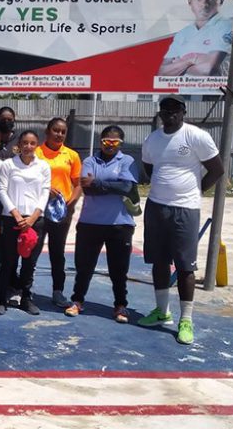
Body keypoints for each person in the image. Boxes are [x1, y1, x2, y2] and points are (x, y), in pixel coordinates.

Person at [138, 95, 224, 345]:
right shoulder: (152, 139)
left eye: (176, 109)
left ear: (184, 112)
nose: (171, 114)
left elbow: (217, 170)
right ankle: (161, 311)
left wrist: (196, 190)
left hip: (185, 209)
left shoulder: (196, 136)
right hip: (156, 207)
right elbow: (150, 168)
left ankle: (186, 320)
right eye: (166, 110)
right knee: (159, 262)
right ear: (160, 113)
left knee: (186, 266)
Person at [65, 126, 139, 323]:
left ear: (121, 144)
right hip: (90, 223)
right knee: (84, 267)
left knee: (119, 269)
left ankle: (121, 305)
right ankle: (77, 301)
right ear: (100, 142)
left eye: (115, 142)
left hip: (120, 224)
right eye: (106, 141)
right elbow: (87, 190)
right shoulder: (89, 161)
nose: (110, 145)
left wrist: (97, 183)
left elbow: (127, 187)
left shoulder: (127, 161)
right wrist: (111, 186)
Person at [0, 130, 51, 316]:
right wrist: (16, 214)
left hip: (35, 221)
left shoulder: (43, 167)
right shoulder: (8, 165)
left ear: (37, 145)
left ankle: (26, 298)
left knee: (30, 263)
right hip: (12, 219)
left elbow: (45, 193)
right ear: (19, 145)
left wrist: (33, 217)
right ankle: (1, 297)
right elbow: (2, 190)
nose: (28, 147)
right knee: (8, 261)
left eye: (32, 143)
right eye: (25, 143)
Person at [35, 117, 82, 308]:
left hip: (62, 212)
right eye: (55, 130)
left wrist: (70, 205)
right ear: (47, 131)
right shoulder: (36, 152)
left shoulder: (71, 155)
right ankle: (23, 289)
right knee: (32, 249)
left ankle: (58, 291)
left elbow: (78, 185)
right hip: (38, 210)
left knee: (57, 252)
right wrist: (45, 190)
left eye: (63, 131)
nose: (59, 134)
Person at [158, 0, 232, 77]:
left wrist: (180, 63)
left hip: (217, 91)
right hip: (183, 92)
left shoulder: (226, 26)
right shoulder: (183, 33)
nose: (204, 4)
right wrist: (190, 61)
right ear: (190, 1)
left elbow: (208, 69)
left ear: (221, 1)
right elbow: (163, 72)